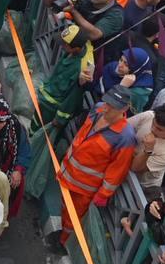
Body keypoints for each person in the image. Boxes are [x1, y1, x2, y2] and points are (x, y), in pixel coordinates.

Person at [49, 86, 136, 253]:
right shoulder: (98, 109)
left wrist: (102, 195)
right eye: (107, 102)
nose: (107, 108)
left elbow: (116, 171)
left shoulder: (125, 137)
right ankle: (63, 237)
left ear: (124, 109)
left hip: (85, 188)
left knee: (73, 219)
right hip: (68, 175)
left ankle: (64, 243)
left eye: (113, 106)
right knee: (66, 210)